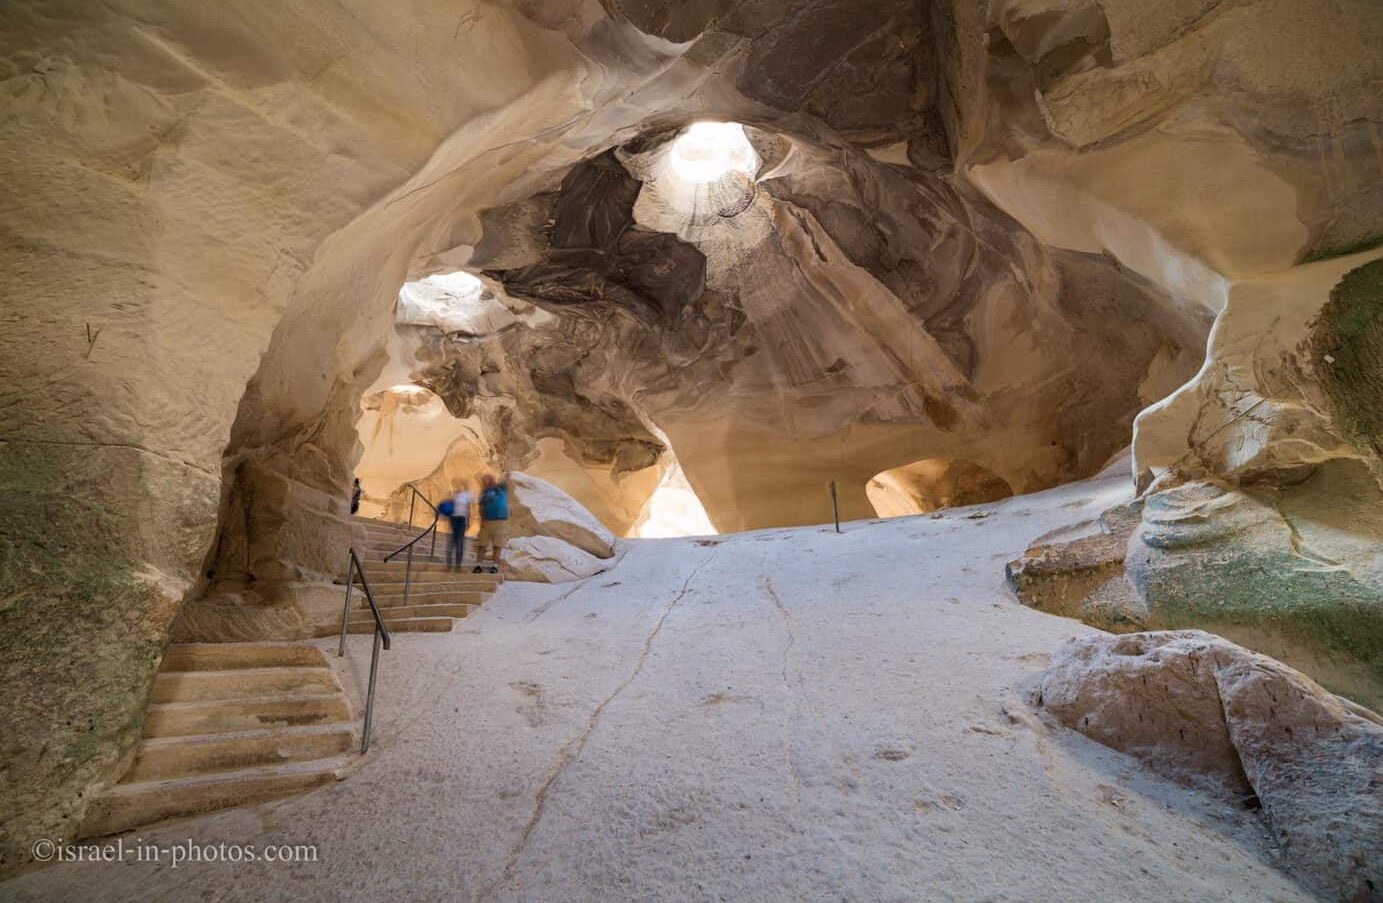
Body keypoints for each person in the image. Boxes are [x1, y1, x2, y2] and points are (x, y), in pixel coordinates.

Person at [474, 472, 510, 574]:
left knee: (497, 546)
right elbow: (481, 508)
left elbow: (507, 479)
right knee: (482, 545)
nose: (488, 480)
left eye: (489, 478)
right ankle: (478, 565)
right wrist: (482, 520)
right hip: (487, 522)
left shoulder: (501, 488)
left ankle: (494, 566)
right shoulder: (484, 493)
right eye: (486, 479)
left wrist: (508, 472)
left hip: (500, 521)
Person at [447, 482, 473, 571]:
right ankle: (449, 565)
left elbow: (468, 508)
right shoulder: (453, 495)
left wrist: (468, 521)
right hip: (453, 519)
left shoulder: (466, 495)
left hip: (461, 519)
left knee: (459, 542)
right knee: (453, 541)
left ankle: (458, 565)